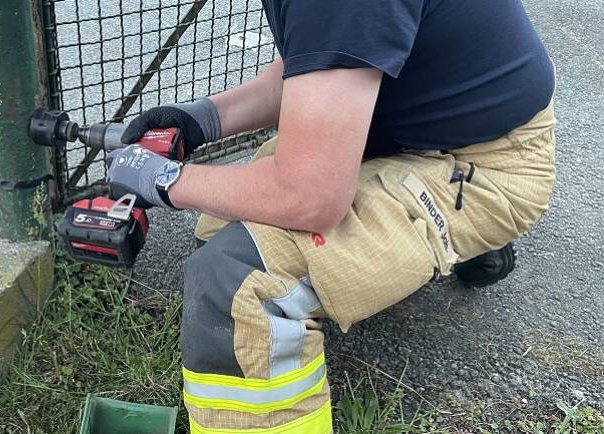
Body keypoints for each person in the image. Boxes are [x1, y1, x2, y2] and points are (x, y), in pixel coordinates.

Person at [106, 0, 556, 432]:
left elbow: (311, 197)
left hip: (485, 163)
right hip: (411, 120)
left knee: (239, 279)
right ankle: (441, 237)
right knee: (221, 226)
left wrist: (165, 181)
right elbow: (318, 60)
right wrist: (203, 119)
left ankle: (470, 226)